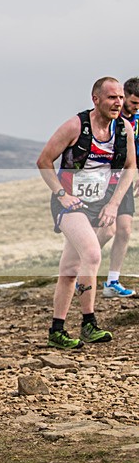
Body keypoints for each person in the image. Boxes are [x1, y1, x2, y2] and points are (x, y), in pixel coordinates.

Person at [36, 77, 136, 349]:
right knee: (92, 254)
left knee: (69, 268)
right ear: (96, 99)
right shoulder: (75, 126)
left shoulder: (124, 129)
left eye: (120, 98)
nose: (118, 103)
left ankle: (57, 330)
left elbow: (130, 168)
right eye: (111, 98)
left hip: (100, 203)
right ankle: (89, 323)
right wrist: (61, 194)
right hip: (69, 203)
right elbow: (44, 161)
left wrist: (113, 204)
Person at [95, 77, 139, 297]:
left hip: (125, 179)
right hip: (104, 180)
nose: (134, 106)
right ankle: (80, 270)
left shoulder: (138, 120)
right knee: (107, 230)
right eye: (132, 102)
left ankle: (112, 282)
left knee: (125, 230)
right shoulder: (111, 116)